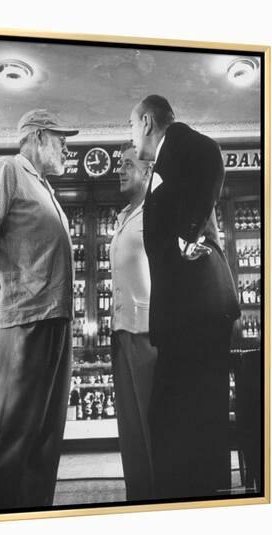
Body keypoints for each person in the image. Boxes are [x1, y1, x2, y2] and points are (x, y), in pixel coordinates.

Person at [0, 109, 78, 511]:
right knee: (8, 441)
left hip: (55, 323)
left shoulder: (45, 188)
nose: (67, 146)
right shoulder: (9, 169)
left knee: (43, 443)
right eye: (61, 139)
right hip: (25, 320)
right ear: (40, 137)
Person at [129, 95, 240, 499]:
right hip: (185, 312)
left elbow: (211, 155)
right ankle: (191, 496)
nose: (131, 135)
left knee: (194, 415)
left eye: (130, 126)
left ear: (145, 122)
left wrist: (185, 236)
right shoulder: (164, 157)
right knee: (183, 417)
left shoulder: (184, 142)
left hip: (196, 309)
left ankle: (198, 500)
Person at [110, 143, 157, 501]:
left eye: (127, 164)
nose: (120, 170)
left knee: (151, 425)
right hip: (120, 330)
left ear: (146, 171)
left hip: (148, 332)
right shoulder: (125, 215)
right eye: (119, 165)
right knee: (129, 426)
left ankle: (160, 496)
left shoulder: (157, 211)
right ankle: (137, 497)